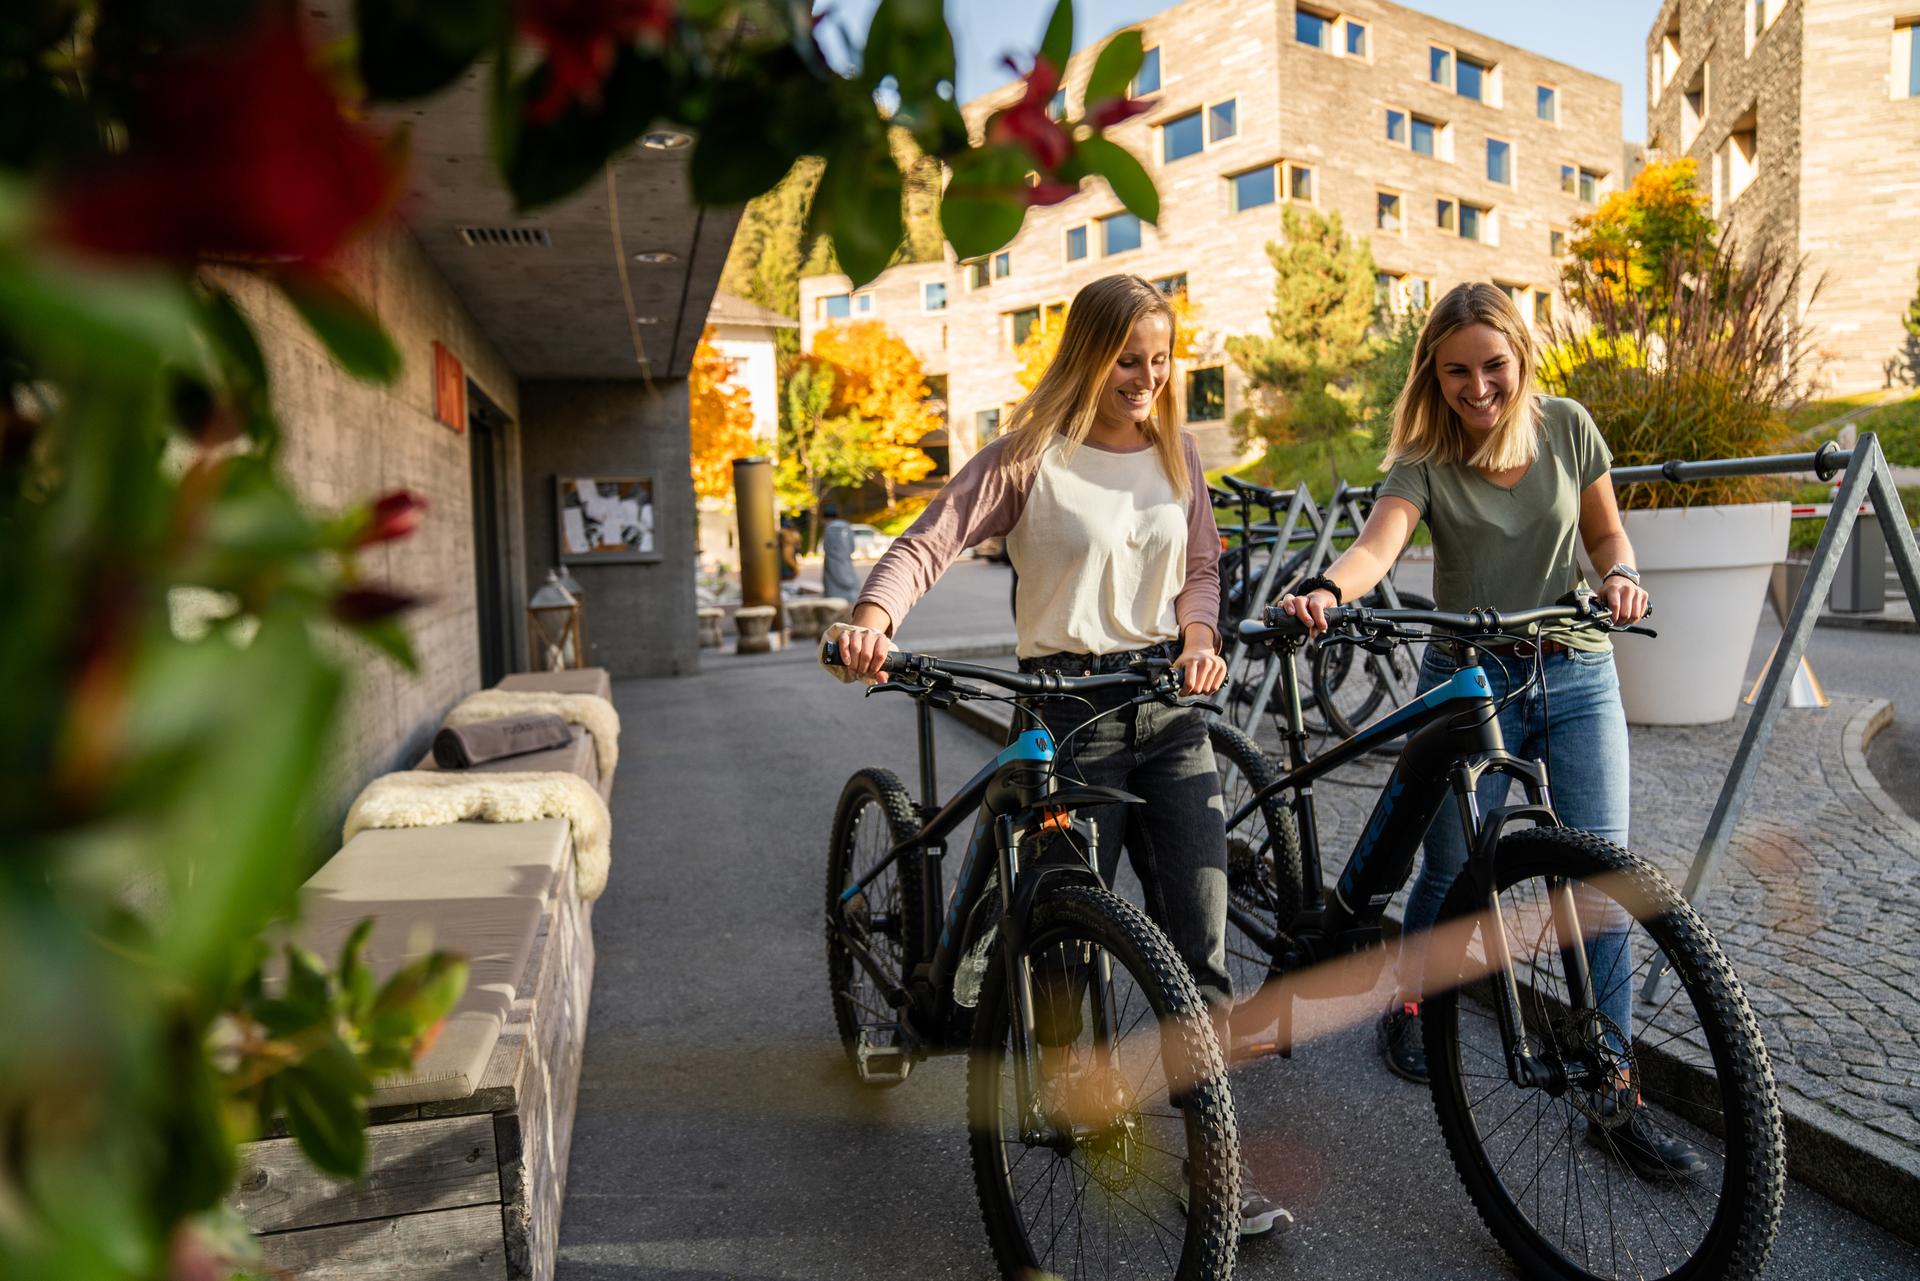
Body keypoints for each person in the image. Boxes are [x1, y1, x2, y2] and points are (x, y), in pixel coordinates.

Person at [828, 273, 1292, 1236]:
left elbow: (1199, 564)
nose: (1148, 379)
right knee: (1066, 938)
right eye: (1129, 359)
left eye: (1162, 361)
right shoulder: (1029, 455)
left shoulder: (1178, 451)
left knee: (1197, 949)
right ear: (1087, 353)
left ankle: (1213, 1167)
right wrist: (873, 618)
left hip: (1166, 709)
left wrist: (1199, 636)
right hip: (1064, 711)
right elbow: (929, 544)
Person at [1274, 281, 1703, 1177]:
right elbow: (1376, 547)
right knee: (1449, 869)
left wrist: (1621, 576)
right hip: (1469, 679)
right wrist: (1325, 590)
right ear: (1434, 371)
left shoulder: (1569, 426)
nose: (1477, 388)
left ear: (1522, 357)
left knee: (1600, 882)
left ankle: (1613, 1095)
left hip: (1577, 668)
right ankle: (1416, 1004)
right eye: (1457, 370)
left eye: (1494, 366)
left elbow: (1607, 534)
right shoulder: (1425, 455)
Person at [819, 502, 859, 604]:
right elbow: (852, 547)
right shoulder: (846, 526)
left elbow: (827, 549)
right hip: (847, 565)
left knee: (835, 602)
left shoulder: (829, 528)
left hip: (832, 568)